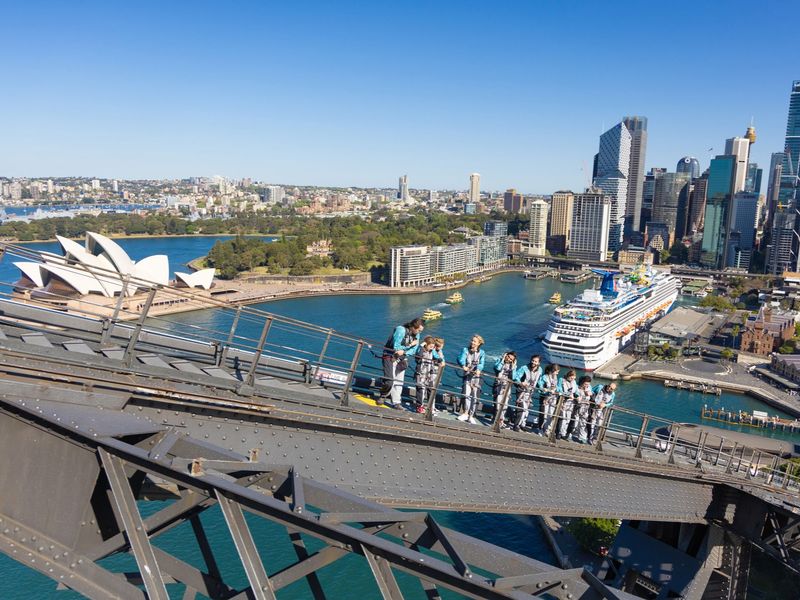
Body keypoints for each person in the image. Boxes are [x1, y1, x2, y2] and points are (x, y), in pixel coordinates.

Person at [380, 317, 424, 408]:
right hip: (390, 355)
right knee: (389, 380)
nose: (419, 333)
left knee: (399, 382)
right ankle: (383, 395)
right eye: (419, 330)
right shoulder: (401, 330)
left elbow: (414, 350)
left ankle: (396, 402)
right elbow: (396, 346)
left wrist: (404, 352)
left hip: (402, 358)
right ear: (413, 327)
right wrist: (410, 345)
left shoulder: (417, 335)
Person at [457, 334, 485, 424]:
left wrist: (478, 369)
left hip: (477, 377)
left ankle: (471, 415)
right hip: (468, 375)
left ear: (479, 343)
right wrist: (463, 365)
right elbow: (461, 358)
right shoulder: (466, 350)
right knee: (466, 394)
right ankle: (465, 413)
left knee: (475, 397)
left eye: (474, 341)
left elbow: (481, 363)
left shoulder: (482, 353)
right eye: (472, 340)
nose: (472, 342)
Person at [512, 354, 542, 431]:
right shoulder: (524, 368)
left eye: (535, 361)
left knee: (527, 409)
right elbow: (516, 377)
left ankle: (523, 424)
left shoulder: (540, 370)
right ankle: (516, 425)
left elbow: (539, 381)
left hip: (530, 392)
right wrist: (521, 382)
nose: (533, 362)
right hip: (521, 391)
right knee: (522, 408)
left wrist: (541, 388)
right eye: (532, 360)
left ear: (538, 363)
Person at [492, 351, 517, 428]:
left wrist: (513, 367)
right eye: (508, 357)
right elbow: (497, 368)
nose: (509, 359)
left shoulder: (513, 366)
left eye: (511, 359)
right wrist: (502, 361)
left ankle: (501, 420)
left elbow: (513, 377)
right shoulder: (499, 361)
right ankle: (497, 421)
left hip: (506, 387)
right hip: (498, 386)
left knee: (505, 405)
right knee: (498, 404)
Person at [414, 336, 437, 413]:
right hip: (421, 374)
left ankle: (429, 406)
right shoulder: (421, 350)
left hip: (429, 374)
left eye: (433, 347)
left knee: (430, 390)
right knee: (420, 390)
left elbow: (436, 356)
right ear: (426, 344)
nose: (431, 348)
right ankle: (419, 406)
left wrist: (439, 359)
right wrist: (421, 346)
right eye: (430, 346)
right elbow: (418, 357)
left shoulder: (431, 351)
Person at [537, 363, 561, 435]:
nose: (557, 373)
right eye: (556, 371)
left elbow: (559, 387)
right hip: (546, 397)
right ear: (552, 370)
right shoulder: (545, 377)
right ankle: (540, 429)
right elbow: (540, 385)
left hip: (553, 398)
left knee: (550, 415)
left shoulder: (556, 378)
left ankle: (546, 429)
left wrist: (557, 390)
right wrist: (544, 389)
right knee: (544, 414)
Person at [571, 376, 594, 443]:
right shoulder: (577, 387)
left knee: (583, 423)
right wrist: (578, 396)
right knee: (575, 422)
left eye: (588, 384)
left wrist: (591, 393)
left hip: (586, 408)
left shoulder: (589, 387)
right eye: (585, 384)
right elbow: (575, 393)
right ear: (582, 382)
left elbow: (592, 393)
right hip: (577, 407)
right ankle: (570, 433)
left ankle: (582, 437)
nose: (587, 386)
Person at [556, 370, 579, 439]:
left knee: (568, 418)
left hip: (570, 402)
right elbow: (559, 390)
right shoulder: (561, 380)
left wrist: (577, 396)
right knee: (562, 417)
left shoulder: (574, 382)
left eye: (573, 378)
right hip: (563, 400)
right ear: (568, 376)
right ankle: (558, 432)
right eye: (571, 378)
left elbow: (576, 391)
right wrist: (567, 395)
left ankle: (563, 433)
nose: (572, 380)